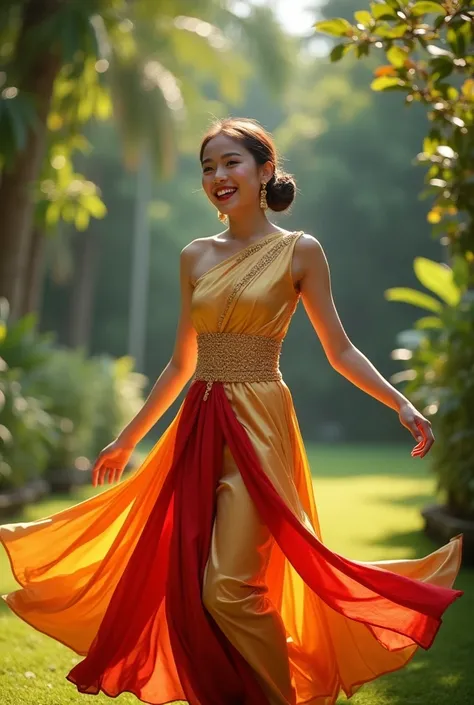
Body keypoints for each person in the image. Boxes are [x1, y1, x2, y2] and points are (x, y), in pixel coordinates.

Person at [0, 117, 463, 705]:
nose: (218, 175)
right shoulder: (194, 255)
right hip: (199, 423)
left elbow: (339, 348)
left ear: (265, 171)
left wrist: (400, 403)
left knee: (228, 588)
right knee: (191, 585)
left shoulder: (300, 251)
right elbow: (179, 363)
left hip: (259, 425)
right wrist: (126, 439)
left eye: (231, 163)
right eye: (208, 167)